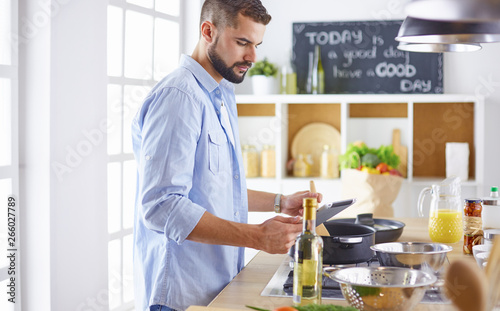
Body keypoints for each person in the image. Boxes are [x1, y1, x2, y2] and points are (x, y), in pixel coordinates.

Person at [131, 1, 322, 310]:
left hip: (215, 287)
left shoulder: (220, 94)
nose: (253, 57)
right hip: (180, 297)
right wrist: (257, 236)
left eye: (256, 45)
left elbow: (214, 190)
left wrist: (280, 202)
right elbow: (161, 207)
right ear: (208, 31)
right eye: (242, 43)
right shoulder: (180, 97)